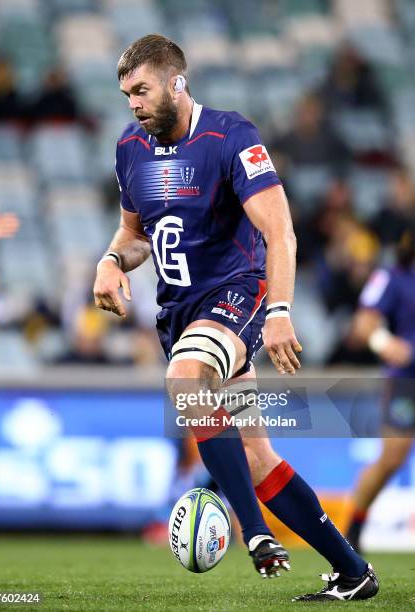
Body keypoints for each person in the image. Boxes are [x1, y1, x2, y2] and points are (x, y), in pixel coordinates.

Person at [93, 34, 378, 602]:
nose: (134, 104)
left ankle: (253, 535)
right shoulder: (130, 148)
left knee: (185, 378)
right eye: (126, 94)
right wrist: (108, 262)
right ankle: (352, 572)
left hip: (237, 297)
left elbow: (280, 232)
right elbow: (134, 235)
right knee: (253, 454)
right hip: (179, 310)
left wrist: (278, 311)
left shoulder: (230, 136)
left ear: (176, 82)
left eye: (142, 90)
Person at [346, 226, 415, 552]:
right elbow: (364, 323)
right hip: (406, 381)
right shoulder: (393, 277)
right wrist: (384, 342)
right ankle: (353, 527)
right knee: (392, 458)